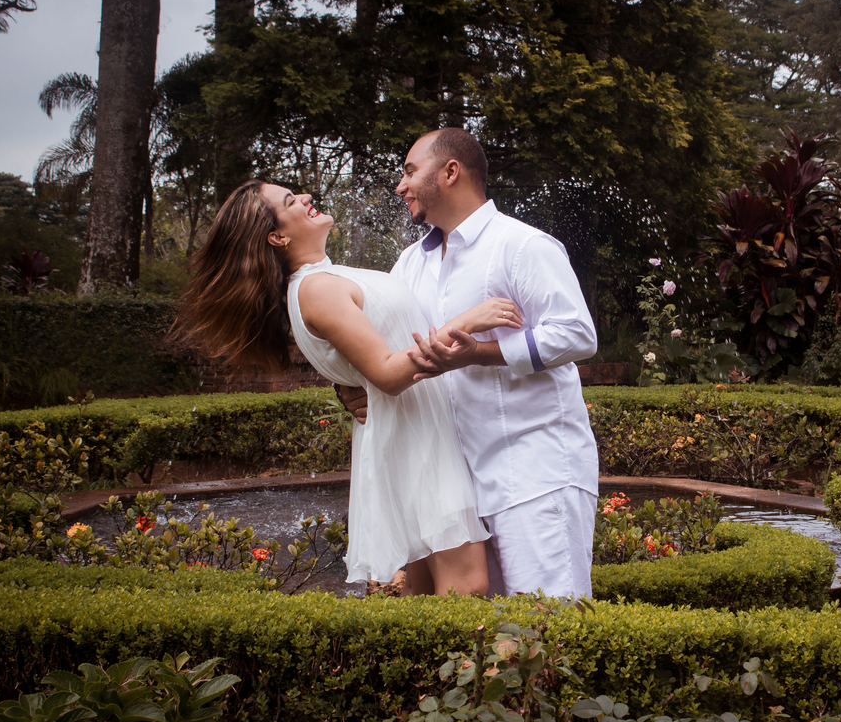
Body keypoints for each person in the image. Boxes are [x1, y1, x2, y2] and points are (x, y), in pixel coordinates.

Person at [176, 179, 525, 597]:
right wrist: (471, 319)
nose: (305, 197)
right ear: (277, 236)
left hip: (415, 435)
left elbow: (367, 362)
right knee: (466, 584)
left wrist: (350, 389)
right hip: (415, 441)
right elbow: (388, 374)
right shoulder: (316, 288)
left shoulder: (324, 279)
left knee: (425, 585)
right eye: (290, 201)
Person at [341, 128, 600, 598]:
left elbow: (576, 333)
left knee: (545, 630)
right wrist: (354, 388)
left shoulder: (522, 246)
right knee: (480, 641)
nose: (400, 186)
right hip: (453, 486)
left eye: (409, 171)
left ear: (450, 172)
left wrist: (481, 352)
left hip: (534, 471)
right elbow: (383, 349)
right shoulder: (408, 266)